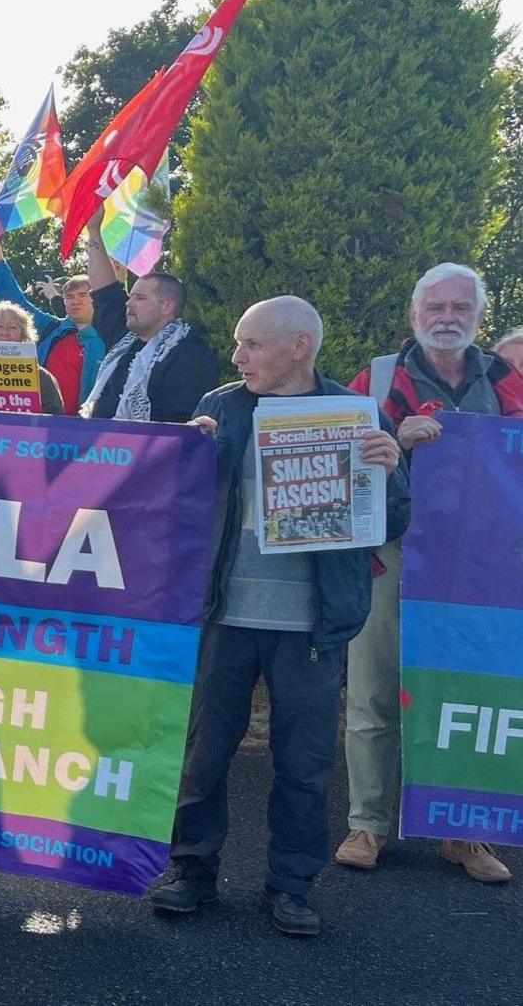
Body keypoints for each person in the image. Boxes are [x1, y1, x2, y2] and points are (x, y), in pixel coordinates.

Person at [146, 296, 407, 937]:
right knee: (204, 755)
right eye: (238, 344)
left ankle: (291, 887)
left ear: (299, 347)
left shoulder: (356, 413)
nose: (238, 357)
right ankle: (191, 871)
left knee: (304, 764)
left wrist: (391, 470)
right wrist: (186, 457)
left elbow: (393, 520)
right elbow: (175, 507)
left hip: (312, 624)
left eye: (252, 345)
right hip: (227, 615)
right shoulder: (220, 406)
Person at [336, 263, 522, 883]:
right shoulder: (380, 377)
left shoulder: (508, 382)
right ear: (415, 314)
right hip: (392, 554)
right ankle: (368, 822)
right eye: (435, 307)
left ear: (478, 316)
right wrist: (394, 436)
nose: (447, 317)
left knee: (470, 695)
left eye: (460, 308)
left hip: (479, 569)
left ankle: (464, 831)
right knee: (373, 692)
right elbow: (339, 463)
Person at [81, 219, 219, 423]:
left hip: (147, 453)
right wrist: (93, 230)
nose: (129, 303)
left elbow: (182, 426)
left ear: (167, 307)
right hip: (102, 453)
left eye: (140, 298)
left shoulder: (189, 354)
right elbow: (105, 294)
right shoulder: (124, 339)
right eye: (131, 296)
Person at [0, 239, 107, 404]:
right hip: (39, 423)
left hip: (84, 426)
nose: (75, 301)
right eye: (69, 296)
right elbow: (14, 299)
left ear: (95, 299)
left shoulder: (110, 335)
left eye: (82, 295)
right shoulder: (51, 327)